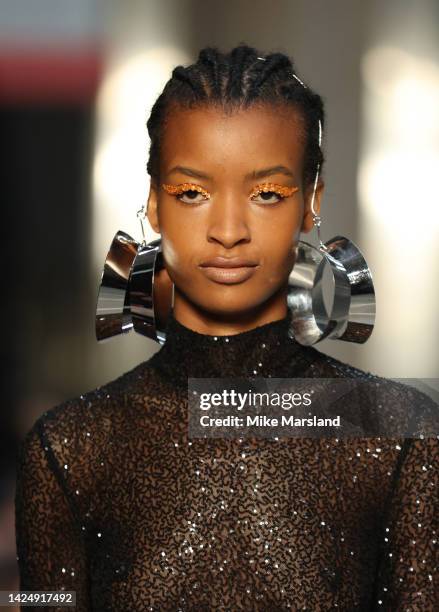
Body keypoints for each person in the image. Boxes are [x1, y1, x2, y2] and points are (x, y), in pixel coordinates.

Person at [15, 44, 438, 611]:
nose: (229, 229)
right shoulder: (72, 450)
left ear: (312, 200)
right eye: (192, 192)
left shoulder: (399, 439)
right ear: (155, 204)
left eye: (267, 193)